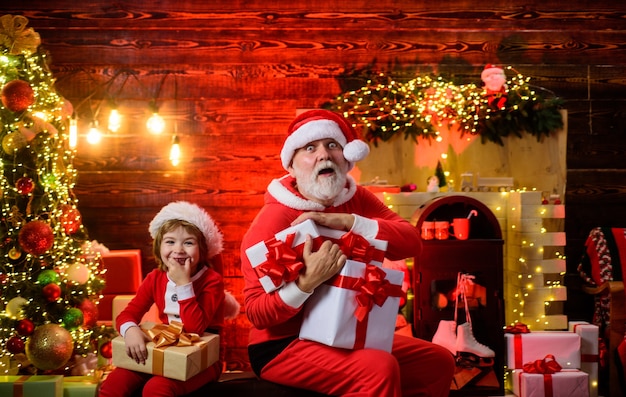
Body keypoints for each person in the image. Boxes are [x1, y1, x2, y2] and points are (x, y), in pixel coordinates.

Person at [240, 109, 456, 397]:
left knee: (437, 362)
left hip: (344, 332)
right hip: (283, 344)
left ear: (347, 157)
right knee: (378, 368)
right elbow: (257, 314)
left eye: (333, 145)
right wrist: (305, 284)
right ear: (291, 166)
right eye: (310, 147)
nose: (324, 155)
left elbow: (411, 242)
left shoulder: (356, 200)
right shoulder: (274, 219)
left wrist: (350, 222)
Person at [99, 201, 231, 397]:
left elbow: (195, 328)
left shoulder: (212, 281)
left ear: (202, 249)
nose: (178, 249)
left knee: (157, 388)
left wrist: (184, 284)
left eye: (188, 242)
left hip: (204, 358)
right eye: (170, 241)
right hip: (166, 347)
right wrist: (131, 329)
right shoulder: (155, 278)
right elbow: (127, 314)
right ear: (159, 246)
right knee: (113, 384)